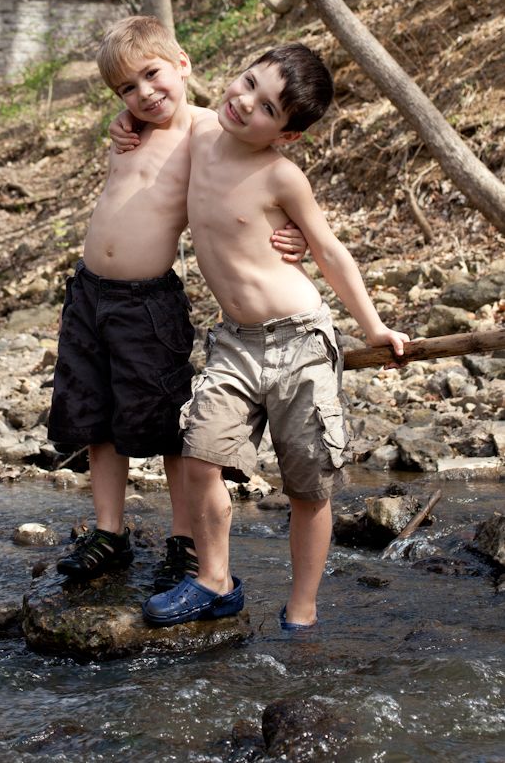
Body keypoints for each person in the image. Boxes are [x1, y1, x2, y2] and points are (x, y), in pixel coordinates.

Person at [137, 42, 409, 629]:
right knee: (200, 453)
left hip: (300, 343)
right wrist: (123, 122)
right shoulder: (200, 132)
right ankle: (214, 580)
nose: (245, 103)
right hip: (233, 342)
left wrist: (373, 327)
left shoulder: (282, 176)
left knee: (308, 484)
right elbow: (153, 106)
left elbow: (331, 251)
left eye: (267, 108)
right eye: (248, 83)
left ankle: (302, 610)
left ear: (287, 135)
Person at [48, 16, 306, 590]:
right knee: (97, 418)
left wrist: (298, 232)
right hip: (89, 294)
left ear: (182, 63)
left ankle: (186, 541)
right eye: (126, 89)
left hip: (147, 303)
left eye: (151, 75)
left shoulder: (209, 133)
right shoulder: (130, 128)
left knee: (168, 427)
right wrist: (126, 118)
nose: (143, 94)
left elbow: (266, 177)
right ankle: (109, 533)